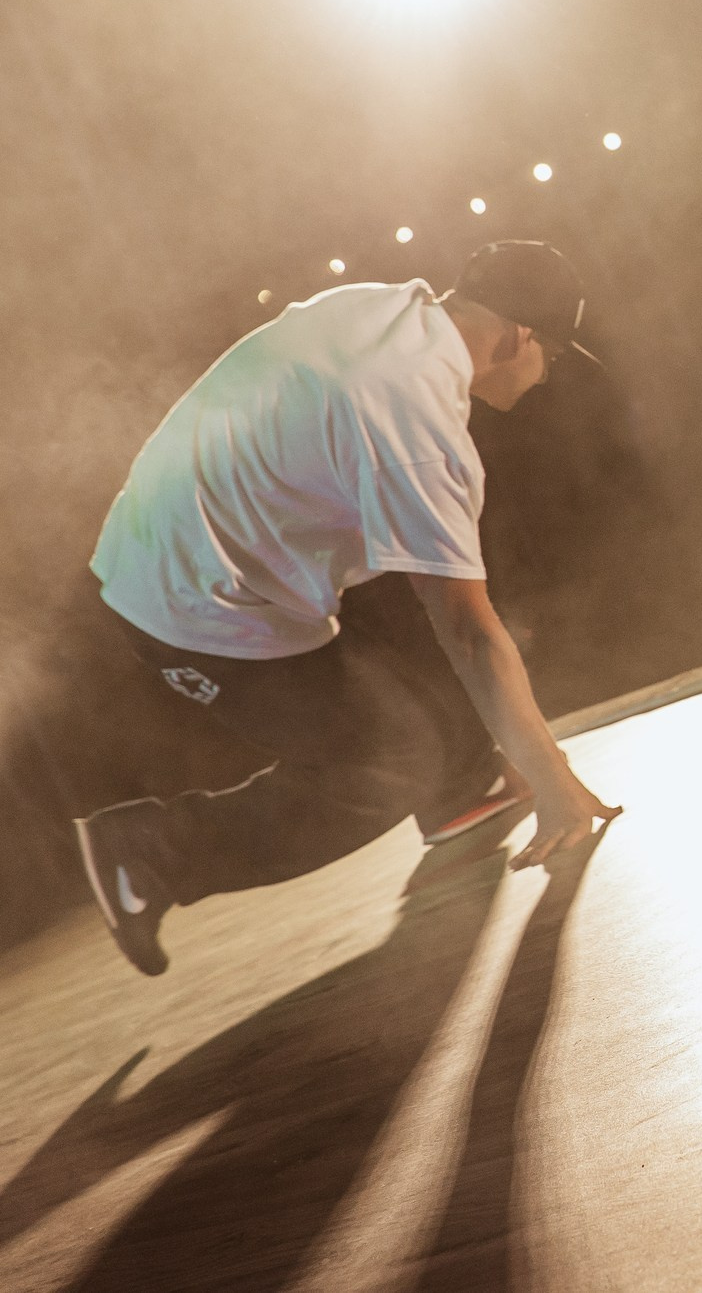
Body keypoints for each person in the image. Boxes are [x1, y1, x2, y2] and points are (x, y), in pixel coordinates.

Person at [72, 241, 623, 975]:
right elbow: (467, 630)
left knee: (425, 578)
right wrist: (553, 780)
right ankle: (153, 854)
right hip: (185, 603)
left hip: (181, 541)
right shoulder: (416, 424)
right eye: (552, 356)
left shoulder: (384, 308)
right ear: (521, 335)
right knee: (391, 756)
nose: (547, 375)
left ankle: (464, 780)